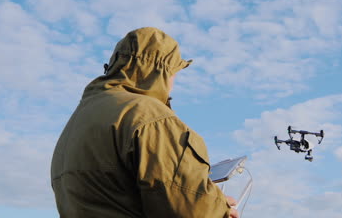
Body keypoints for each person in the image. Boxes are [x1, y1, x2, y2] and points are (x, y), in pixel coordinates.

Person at [51, 27, 239, 218]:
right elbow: (188, 209)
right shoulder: (149, 116)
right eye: (174, 72)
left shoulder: (81, 116)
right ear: (161, 70)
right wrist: (221, 209)